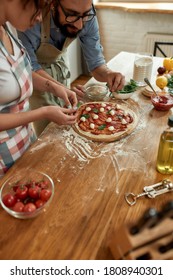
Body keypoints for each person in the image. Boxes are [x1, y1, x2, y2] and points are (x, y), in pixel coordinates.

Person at [18, 0, 125, 135]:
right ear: (53, 4)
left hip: (59, 64)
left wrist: (108, 73)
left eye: (85, 15)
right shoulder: (31, 18)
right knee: (48, 133)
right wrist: (61, 88)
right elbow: (30, 68)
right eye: (72, 15)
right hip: (35, 76)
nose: (80, 25)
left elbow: (96, 63)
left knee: (67, 128)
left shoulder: (88, 14)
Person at [0, 0, 78, 177]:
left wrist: (54, 87)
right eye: (38, 7)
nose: (40, 17)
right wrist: (43, 113)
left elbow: (18, 76)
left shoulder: (5, 28)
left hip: (25, 142)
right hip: (3, 157)